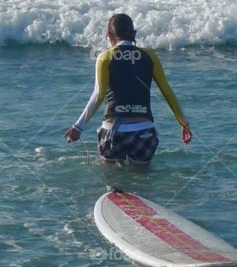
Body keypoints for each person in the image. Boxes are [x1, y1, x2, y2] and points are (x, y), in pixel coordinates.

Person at [64, 13, 192, 166]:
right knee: (141, 182)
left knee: (110, 179)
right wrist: (183, 123)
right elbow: (166, 91)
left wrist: (78, 127)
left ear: (109, 36)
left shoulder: (105, 57)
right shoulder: (150, 56)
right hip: (144, 132)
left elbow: (98, 95)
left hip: (113, 132)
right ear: (134, 34)